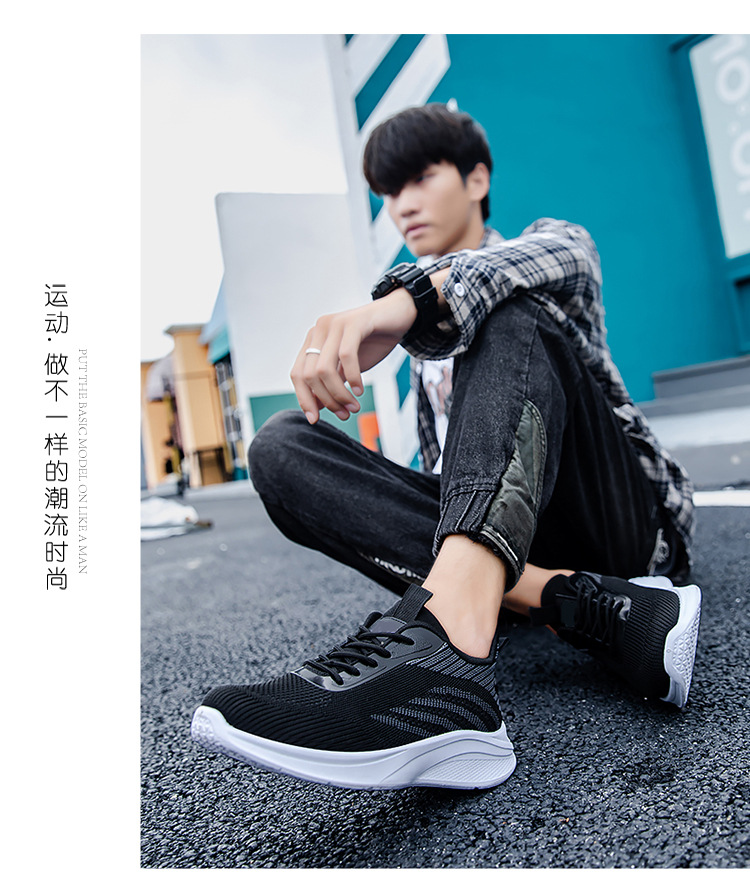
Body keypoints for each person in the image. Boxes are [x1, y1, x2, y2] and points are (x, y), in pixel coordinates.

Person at [191, 104, 702, 791]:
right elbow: (452, 478)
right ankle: (567, 602)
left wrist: (400, 303)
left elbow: (506, 271)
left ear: (477, 179)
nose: (402, 205)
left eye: (419, 179)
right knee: (281, 446)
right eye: (388, 192)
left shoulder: (554, 245)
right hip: (516, 539)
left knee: (507, 307)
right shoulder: (421, 358)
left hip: (617, 524)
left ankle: (452, 649)